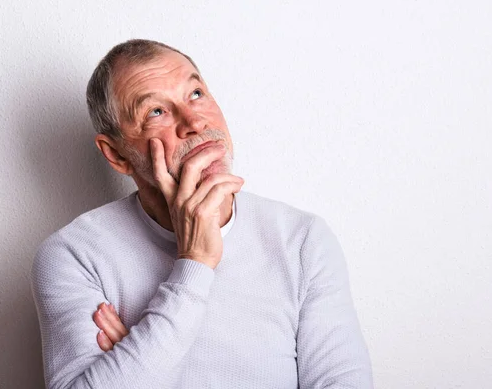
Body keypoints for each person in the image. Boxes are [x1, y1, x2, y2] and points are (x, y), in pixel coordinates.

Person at [31, 39, 373, 389]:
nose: (194, 121)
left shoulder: (302, 240)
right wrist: (194, 262)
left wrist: (140, 362)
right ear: (116, 155)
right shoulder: (74, 255)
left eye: (196, 93)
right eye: (156, 112)